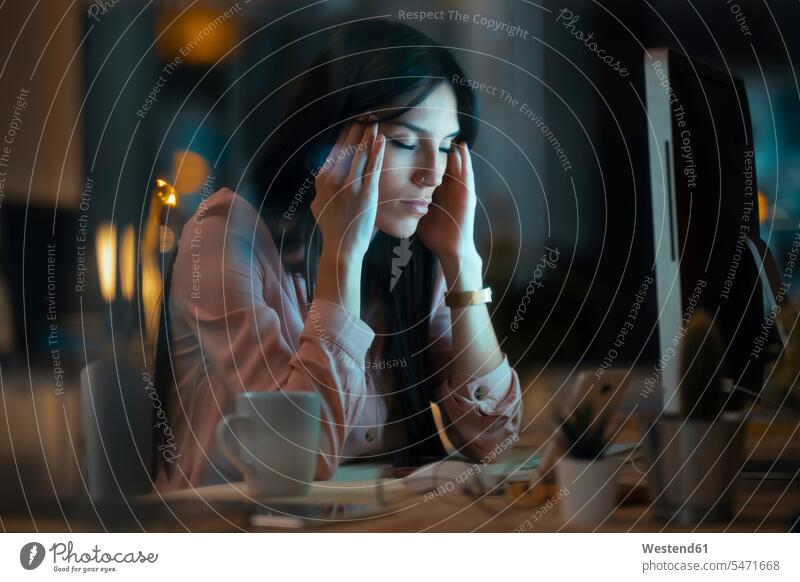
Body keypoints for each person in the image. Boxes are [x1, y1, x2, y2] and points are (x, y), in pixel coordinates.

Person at [153, 20, 522, 491]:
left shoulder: (411, 251)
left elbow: (492, 437)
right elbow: (298, 458)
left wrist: (462, 260)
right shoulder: (225, 239)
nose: (433, 174)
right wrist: (343, 253)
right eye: (406, 143)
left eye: (447, 148)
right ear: (332, 145)